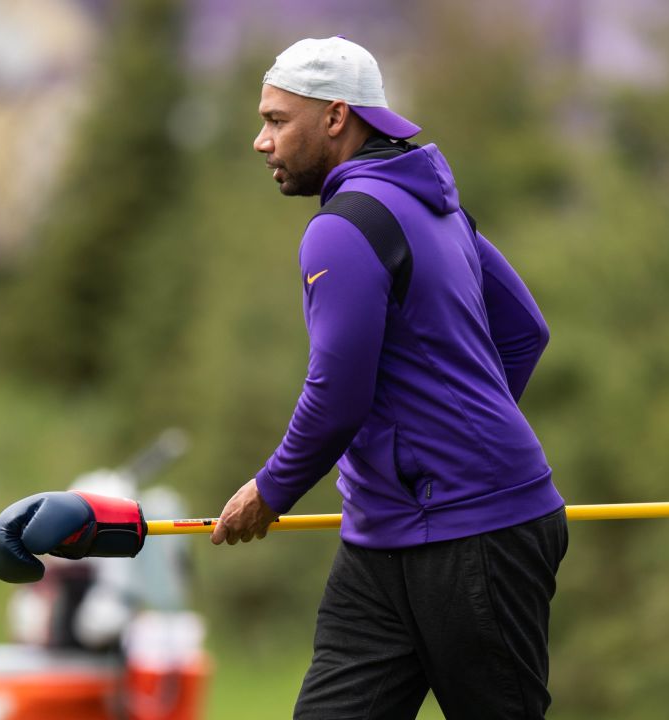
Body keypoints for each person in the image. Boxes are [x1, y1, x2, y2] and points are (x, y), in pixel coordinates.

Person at [207, 36, 569, 719]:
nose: (261, 141)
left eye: (278, 121)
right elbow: (524, 332)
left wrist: (271, 490)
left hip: (477, 531)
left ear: (337, 118)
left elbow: (337, 398)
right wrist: (435, 447)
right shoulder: (436, 208)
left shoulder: (342, 229)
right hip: (383, 539)